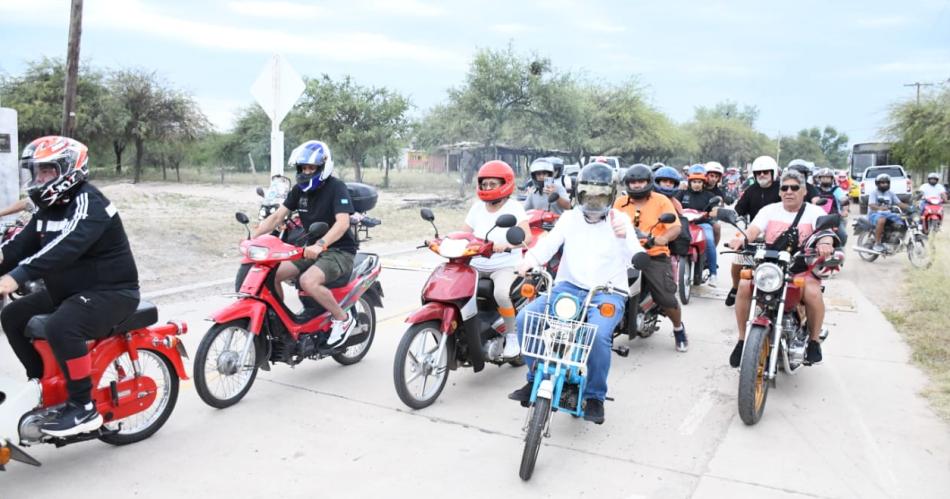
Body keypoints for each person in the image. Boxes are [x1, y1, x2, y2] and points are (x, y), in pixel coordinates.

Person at [0, 136, 140, 437]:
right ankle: (43, 386)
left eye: (47, 171)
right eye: (37, 172)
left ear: (68, 170)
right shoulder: (47, 207)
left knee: (62, 326)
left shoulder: (89, 201)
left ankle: (83, 406)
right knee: (12, 316)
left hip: (111, 292)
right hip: (69, 290)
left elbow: (66, 247)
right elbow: (17, 247)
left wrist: (17, 276)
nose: (39, 179)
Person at [507, 162, 644, 424]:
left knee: (599, 335)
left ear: (611, 194)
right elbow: (547, 245)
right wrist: (529, 261)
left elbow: (634, 254)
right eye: (588, 194)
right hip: (568, 288)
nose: (593, 201)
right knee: (526, 318)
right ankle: (535, 377)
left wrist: (629, 245)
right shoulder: (569, 218)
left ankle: (594, 396)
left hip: (607, 291)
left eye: (600, 195)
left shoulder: (621, 221)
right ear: (579, 193)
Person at [727, 169, 836, 367]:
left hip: (800, 267)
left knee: (812, 292)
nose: (789, 191)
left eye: (794, 187)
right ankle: (742, 340)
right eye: (784, 188)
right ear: (779, 191)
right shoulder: (769, 210)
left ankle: (814, 341)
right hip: (770, 267)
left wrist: (825, 244)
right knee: (743, 285)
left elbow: (825, 232)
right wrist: (741, 239)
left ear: (804, 191)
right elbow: (753, 229)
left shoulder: (814, 212)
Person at [253, 140, 357, 347]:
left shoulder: (337, 188)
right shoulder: (299, 190)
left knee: (307, 281)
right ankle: (279, 321)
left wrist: (321, 243)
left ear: (323, 167)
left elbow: (343, 223)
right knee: (271, 274)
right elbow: (277, 218)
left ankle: (343, 320)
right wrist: (252, 237)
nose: (307, 172)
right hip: (309, 250)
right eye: (304, 168)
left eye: (312, 168)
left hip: (338, 251)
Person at [463, 160, 532, 359]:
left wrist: (508, 246)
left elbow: (527, 237)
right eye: (484, 184)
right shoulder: (477, 208)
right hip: (476, 263)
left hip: (503, 265)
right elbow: (464, 233)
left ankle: (512, 336)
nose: (487, 188)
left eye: (492, 184)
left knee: (501, 294)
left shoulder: (514, 207)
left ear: (505, 183)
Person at [616, 164, 689, 350]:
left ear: (648, 182)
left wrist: (662, 238)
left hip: (653, 254)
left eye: (641, 181)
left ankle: (678, 329)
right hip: (623, 255)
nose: (637, 185)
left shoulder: (661, 200)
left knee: (666, 298)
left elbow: (675, 227)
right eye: (633, 182)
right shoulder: (619, 203)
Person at [726, 156, 781, 306]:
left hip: (778, 234)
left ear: (773, 172)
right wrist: (737, 219)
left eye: (765, 172)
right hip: (753, 232)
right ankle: (735, 287)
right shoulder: (751, 190)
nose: (762, 175)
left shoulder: (782, 189)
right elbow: (739, 210)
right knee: (738, 259)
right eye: (758, 172)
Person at [676, 165, 720, 287]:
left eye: (699, 182)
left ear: (703, 183)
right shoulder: (681, 193)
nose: (697, 184)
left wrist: (710, 213)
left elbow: (715, 210)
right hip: (684, 224)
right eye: (694, 182)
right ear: (689, 182)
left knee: (710, 241)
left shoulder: (709, 196)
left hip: (703, 224)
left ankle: (713, 274)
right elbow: (673, 204)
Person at [867, 173, 908, 252]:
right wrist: (880, 208)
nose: (885, 184)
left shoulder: (890, 193)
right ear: (877, 184)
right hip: (874, 214)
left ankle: (896, 240)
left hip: (889, 214)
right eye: (882, 183)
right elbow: (871, 205)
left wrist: (910, 208)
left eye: (886, 182)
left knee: (903, 220)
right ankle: (877, 243)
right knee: (882, 220)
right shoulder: (874, 193)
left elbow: (899, 203)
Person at [813, 167, 850, 244]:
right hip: (818, 218)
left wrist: (845, 210)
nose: (826, 179)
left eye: (828, 178)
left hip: (834, 218)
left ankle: (839, 250)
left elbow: (843, 199)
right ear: (819, 179)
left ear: (832, 179)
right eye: (823, 178)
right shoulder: (815, 190)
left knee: (843, 236)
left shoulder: (836, 190)